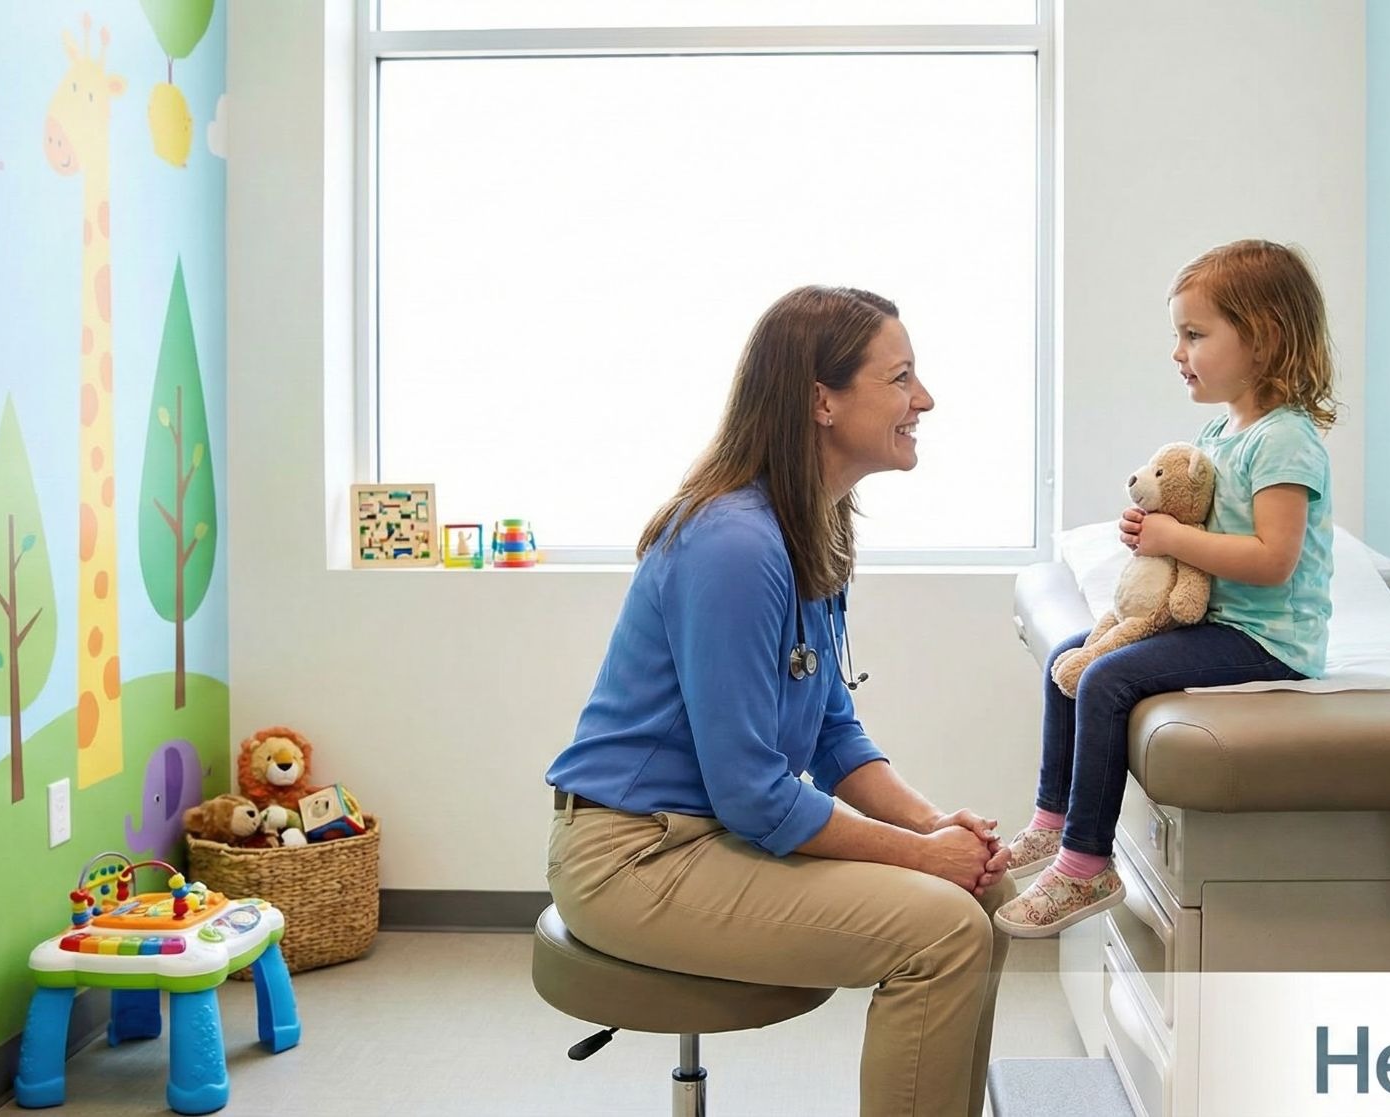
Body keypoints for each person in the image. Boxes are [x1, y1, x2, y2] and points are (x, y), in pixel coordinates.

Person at [545, 286, 1015, 1117]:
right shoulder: (734, 544)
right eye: (901, 378)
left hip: (710, 838)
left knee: (982, 898)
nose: (926, 400)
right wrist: (919, 858)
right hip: (635, 858)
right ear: (821, 400)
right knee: (943, 933)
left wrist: (937, 830)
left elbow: (834, 730)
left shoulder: (813, 525)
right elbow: (754, 792)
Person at [994, 240, 1340, 937]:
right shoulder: (1223, 428)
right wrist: (1157, 523)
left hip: (1266, 638)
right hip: (1218, 617)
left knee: (1107, 681)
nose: (1178, 352)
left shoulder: (1286, 440)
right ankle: (1051, 816)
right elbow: (1205, 516)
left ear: (1263, 337)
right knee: (1073, 652)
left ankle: (1085, 865)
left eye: (1194, 334)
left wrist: (1173, 541)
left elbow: (1273, 558)